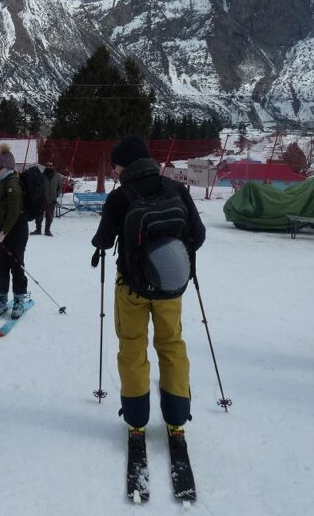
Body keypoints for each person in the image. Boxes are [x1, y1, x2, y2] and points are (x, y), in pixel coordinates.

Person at [91, 136, 205, 452]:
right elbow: (198, 235)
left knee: (132, 347)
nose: (114, 171)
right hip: (171, 287)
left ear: (123, 165)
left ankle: (137, 418)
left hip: (132, 287)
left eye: (115, 165)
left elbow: (102, 240)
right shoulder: (176, 189)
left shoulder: (120, 197)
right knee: (171, 345)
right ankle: (177, 416)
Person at [0, 145, 30, 317]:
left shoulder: (12, 184)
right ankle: (2, 299)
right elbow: (2, 206)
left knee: (16, 265)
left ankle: (18, 300)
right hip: (3, 230)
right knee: (1, 265)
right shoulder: (3, 183)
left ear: (8, 168)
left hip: (16, 231)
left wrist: (3, 234)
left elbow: (15, 211)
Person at [33, 161, 63, 237]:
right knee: (39, 216)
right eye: (47, 165)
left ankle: (47, 230)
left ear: (53, 166)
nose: (49, 167)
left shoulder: (57, 177)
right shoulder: (41, 176)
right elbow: (38, 187)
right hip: (42, 200)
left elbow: (60, 188)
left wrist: (57, 194)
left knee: (49, 217)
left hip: (52, 200)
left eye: (50, 165)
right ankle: (38, 229)